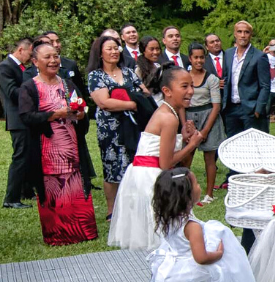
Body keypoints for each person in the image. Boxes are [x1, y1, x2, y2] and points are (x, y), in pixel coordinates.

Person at [110, 66, 208, 252]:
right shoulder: (169, 118)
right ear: (167, 91)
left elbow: (160, 147)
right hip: (151, 176)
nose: (190, 91)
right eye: (184, 86)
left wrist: (183, 138)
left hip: (143, 172)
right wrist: (193, 144)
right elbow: (166, 163)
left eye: (192, 86)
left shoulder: (167, 112)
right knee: (160, 233)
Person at [17, 41, 97, 246]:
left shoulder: (67, 83)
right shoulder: (29, 87)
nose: (53, 61)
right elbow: (26, 117)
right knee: (54, 186)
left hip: (71, 144)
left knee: (76, 182)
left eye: (55, 56)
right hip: (47, 147)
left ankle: (83, 231)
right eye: (47, 57)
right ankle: (59, 235)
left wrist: (80, 115)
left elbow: (82, 107)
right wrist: (54, 115)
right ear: (35, 61)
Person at [87, 34, 146, 220]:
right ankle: (112, 209)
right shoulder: (95, 76)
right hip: (110, 130)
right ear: (100, 53)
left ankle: (134, 206)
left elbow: (143, 92)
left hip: (133, 126)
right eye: (109, 49)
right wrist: (132, 104)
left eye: (116, 48)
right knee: (112, 167)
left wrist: (134, 101)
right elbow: (104, 102)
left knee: (134, 165)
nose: (114, 52)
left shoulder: (128, 72)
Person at [0, 36, 36, 208]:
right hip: (18, 119)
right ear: (21, 50)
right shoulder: (5, 67)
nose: (31, 56)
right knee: (20, 157)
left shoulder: (21, 67)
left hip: (27, 118)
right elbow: (12, 92)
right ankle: (11, 198)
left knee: (28, 156)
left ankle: (26, 191)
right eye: (30, 52)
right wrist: (36, 89)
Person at [186, 43, 224, 205]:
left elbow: (216, 105)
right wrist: (185, 124)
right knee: (186, 157)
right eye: (196, 57)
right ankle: (186, 192)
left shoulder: (212, 78)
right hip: (189, 118)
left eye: (202, 57)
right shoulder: (184, 76)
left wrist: (206, 130)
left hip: (209, 117)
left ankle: (209, 194)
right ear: (190, 58)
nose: (199, 61)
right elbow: (181, 101)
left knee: (210, 158)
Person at [222, 21, 270, 136]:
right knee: (233, 146)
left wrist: (258, 109)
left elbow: (265, 85)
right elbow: (226, 78)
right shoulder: (228, 54)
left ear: (251, 35)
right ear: (235, 34)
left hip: (250, 109)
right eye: (239, 32)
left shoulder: (259, 56)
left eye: (246, 32)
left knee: (252, 146)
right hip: (231, 109)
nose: (243, 35)